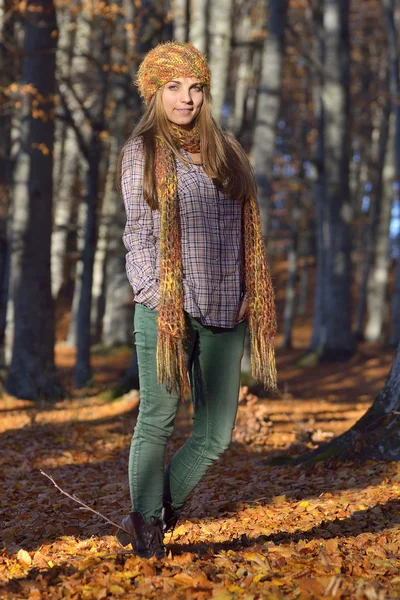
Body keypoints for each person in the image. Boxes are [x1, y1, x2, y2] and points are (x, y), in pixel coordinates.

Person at [116, 41, 277, 559]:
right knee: (158, 419)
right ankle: (147, 530)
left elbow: (243, 234)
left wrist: (250, 292)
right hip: (165, 310)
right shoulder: (141, 151)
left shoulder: (227, 151)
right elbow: (137, 234)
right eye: (173, 88)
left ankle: (153, 509)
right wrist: (155, 295)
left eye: (195, 88)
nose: (186, 99)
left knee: (216, 434)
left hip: (227, 309)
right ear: (155, 93)